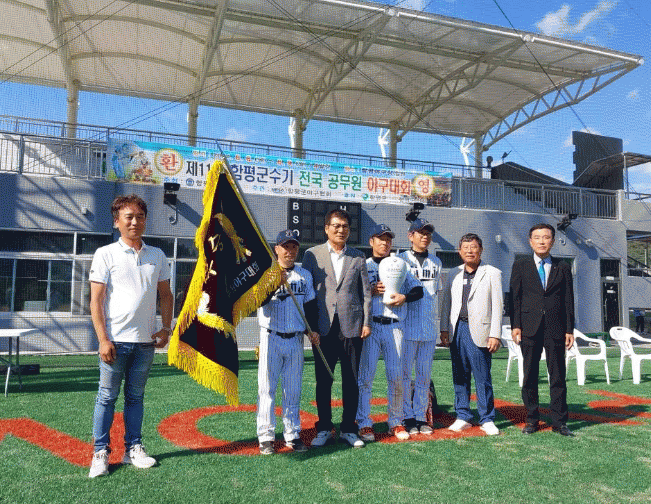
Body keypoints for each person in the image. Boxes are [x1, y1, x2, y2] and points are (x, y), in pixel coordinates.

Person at [88, 194, 173, 478]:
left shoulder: (157, 255)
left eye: (140, 216)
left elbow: (166, 295)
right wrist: (103, 339)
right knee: (106, 397)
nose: (135, 222)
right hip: (115, 342)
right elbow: (96, 301)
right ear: (117, 222)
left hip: (145, 343)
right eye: (129, 217)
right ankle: (100, 453)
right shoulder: (105, 254)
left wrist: (166, 328)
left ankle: (133, 448)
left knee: (135, 398)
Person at [302, 209, 372, 448]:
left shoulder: (358, 257)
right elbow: (307, 294)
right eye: (336, 226)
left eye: (345, 226)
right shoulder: (312, 255)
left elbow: (366, 294)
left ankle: (349, 429)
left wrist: (366, 322)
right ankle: (324, 427)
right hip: (322, 329)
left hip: (352, 327)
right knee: (323, 381)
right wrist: (310, 328)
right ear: (326, 228)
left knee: (351, 380)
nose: (341, 230)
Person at [357, 224, 422, 442]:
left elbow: (418, 289)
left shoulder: (400, 265)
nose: (385, 243)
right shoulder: (363, 265)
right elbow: (352, 293)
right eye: (380, 238)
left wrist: (405, 297)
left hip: (395, 326)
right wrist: (370, 290)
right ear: (371, 242)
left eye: (388, 239)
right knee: (365, 378)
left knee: (396, 377)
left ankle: (396, 420)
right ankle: (364, 422)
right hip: (371, 326)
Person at [256, 230, 319, 455]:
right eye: (285, 246)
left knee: (292, 390)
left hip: (295, 339)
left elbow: (310, 306)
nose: (290, 251)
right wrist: (275, 283)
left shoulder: (304, 275)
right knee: (267, 389)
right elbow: (259, 302)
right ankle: (266, 436)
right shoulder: (266, 273)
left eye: (293, 247)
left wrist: (313, 330)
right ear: (277, 249)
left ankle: (292, 434)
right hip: (271, 336)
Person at [510, 223, 575, 437]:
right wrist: (516, 325)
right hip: (529, 327)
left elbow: (568, 299)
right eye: (537, 237)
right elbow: (515, 298)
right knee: (529, 375)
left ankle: (559, 422)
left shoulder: (562, 266)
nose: (541, 241)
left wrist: (569, 329)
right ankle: (531, 420)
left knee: (557, 377)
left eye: (546, 237)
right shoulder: (520, 265)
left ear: (553, 241)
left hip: (556, 328)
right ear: (530, 241)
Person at [440, 233, 502, 436]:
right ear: (459, 251)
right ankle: (463, 415)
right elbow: (446, 303)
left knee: (482, 376)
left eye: (473, 247)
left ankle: (487, 418)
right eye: (465, 248)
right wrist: (444, 328)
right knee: (459, 374)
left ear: (480, 250)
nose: (469, 251)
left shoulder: (492, 273)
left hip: (481, 330)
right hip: (457, 328)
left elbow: (498, 305)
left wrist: (495, 334)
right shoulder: (453, 273)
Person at [398, 218, 442, 436]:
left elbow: (436, 294)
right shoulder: (400, 260)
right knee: (405, 376)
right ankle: (407, 416)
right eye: (420, 233)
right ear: (410, 236)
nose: (425, 236)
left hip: (429, 327)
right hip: (407, 326)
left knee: (424, 376)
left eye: (428, 233)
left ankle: (421, 416)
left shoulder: (436, 262)